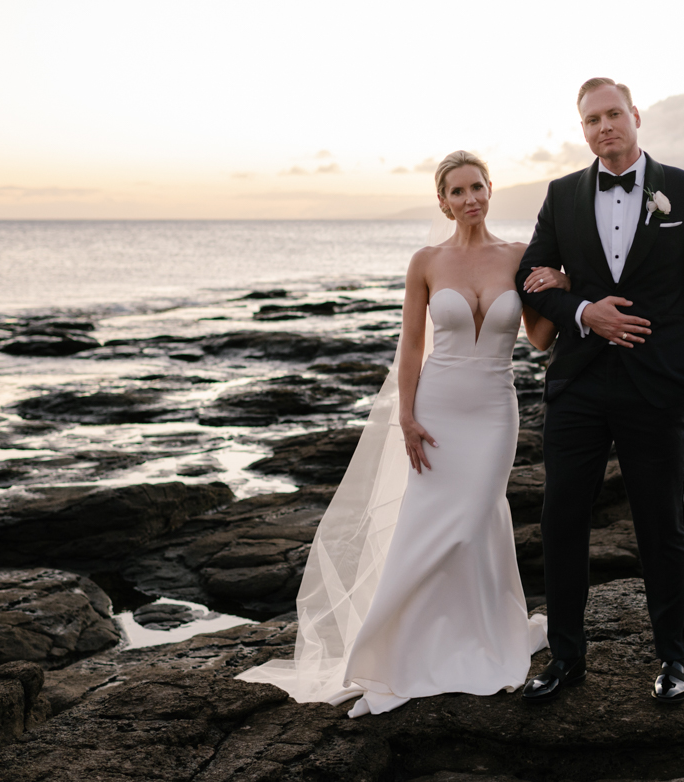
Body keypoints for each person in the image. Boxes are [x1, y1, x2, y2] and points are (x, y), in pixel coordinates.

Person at [237, 150, 569, 716]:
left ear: (492, 190)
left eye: (478, 188)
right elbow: (411, 347)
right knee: (428, 526)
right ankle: (399, 651)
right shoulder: (425, 262)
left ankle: (476, 639)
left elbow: (539, 340)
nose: (470, 199)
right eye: (458, 192)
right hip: (437, 410)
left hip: (493, 411)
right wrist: (406, 416)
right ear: (442, 202)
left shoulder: (518, 257)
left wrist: (562, 286)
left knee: (470, 525)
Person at [516, 78, 684, 704]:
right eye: (591, 120)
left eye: (613, 115)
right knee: (561, 522)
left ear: (635, 117)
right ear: (582, 130)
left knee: (661, 524)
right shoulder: (561, 195)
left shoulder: (683, 189)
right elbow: (531, 277)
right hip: (579, 382)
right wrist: (583, 309)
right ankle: (566, 659)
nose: (603, 127)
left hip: (656, 383)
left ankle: (672, 660)